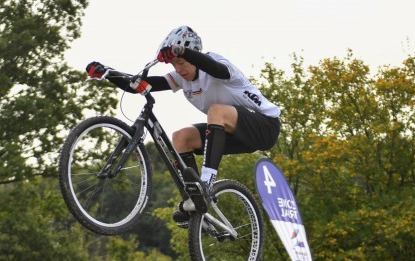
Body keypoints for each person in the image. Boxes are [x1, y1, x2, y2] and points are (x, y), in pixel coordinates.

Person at [87, 26, 281, 227]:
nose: (178, 69)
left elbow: (217, 70)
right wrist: (108, 73)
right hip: (234, 133)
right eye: (173, 64)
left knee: (216, 111)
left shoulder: (216, 63)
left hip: (265, 126)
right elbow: (141, 86)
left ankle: (206, 182)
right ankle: (195, 199)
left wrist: (182, 51)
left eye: (181, 62)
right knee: (181, 137)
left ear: (194, 55)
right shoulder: (181, 78)